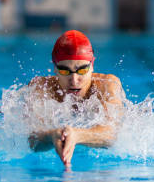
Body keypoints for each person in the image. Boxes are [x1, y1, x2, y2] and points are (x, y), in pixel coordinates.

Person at [27, 30, 124, 166]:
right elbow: (33, 140)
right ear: (55, 68)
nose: (73, 80)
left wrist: (77, 135)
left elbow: (112, 134)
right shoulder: (41, 88)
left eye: (82, 70)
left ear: (92, 66)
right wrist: (51, 136)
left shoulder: (107, 85)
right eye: (64, 70)